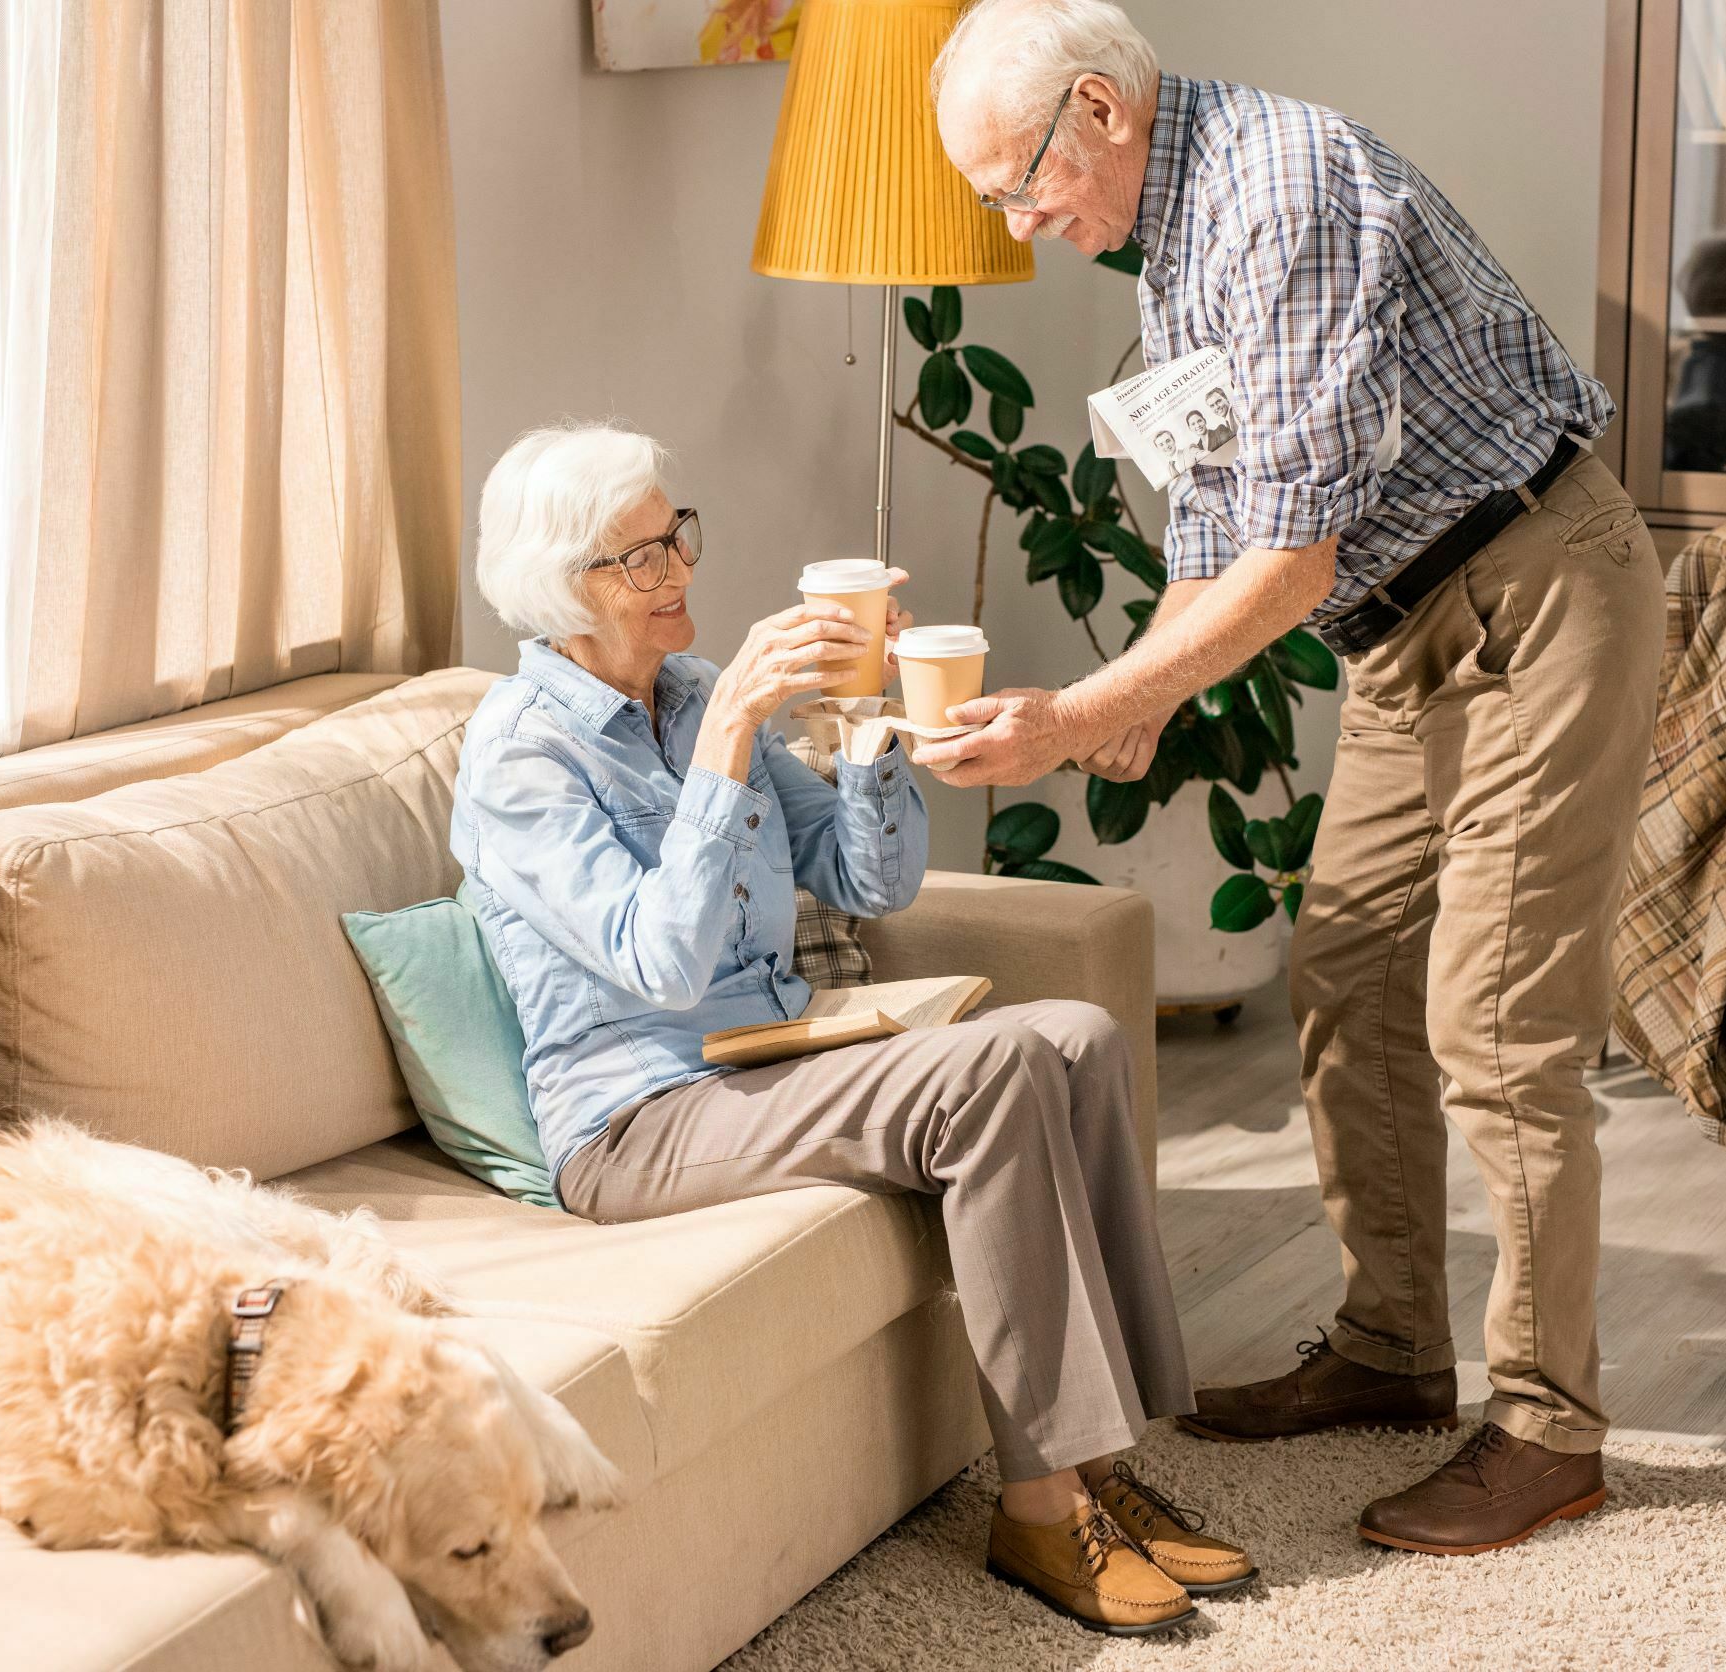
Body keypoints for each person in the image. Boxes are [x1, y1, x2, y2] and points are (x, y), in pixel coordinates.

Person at [922, 0, 1662, 1557]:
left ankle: (1548, 1427)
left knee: (1498, 1017)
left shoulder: (1284, 192)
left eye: (1019, 184)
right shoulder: (1179, 224)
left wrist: (1076, 721)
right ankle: (1394, 1349)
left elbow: (1295, 543)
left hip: (1537, 592)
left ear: (1100, 113)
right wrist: (1118, 694)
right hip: (1401, 630)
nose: (1022, 222)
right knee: (1344, 967)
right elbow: (1221, 506)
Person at [451, 422, 1246, 1636]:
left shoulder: (698, 695)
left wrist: (875, 726)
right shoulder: (521, 755)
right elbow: (658, 963)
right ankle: (1038, 1503)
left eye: (677, 539)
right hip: (639, 1117)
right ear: (564, 586)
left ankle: (1099, 1462)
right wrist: (727, 751)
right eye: (639, 559)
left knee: (1078, 1031)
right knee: (992, 1071)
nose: (678, 575)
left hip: (770, 1055)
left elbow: (870, 883)